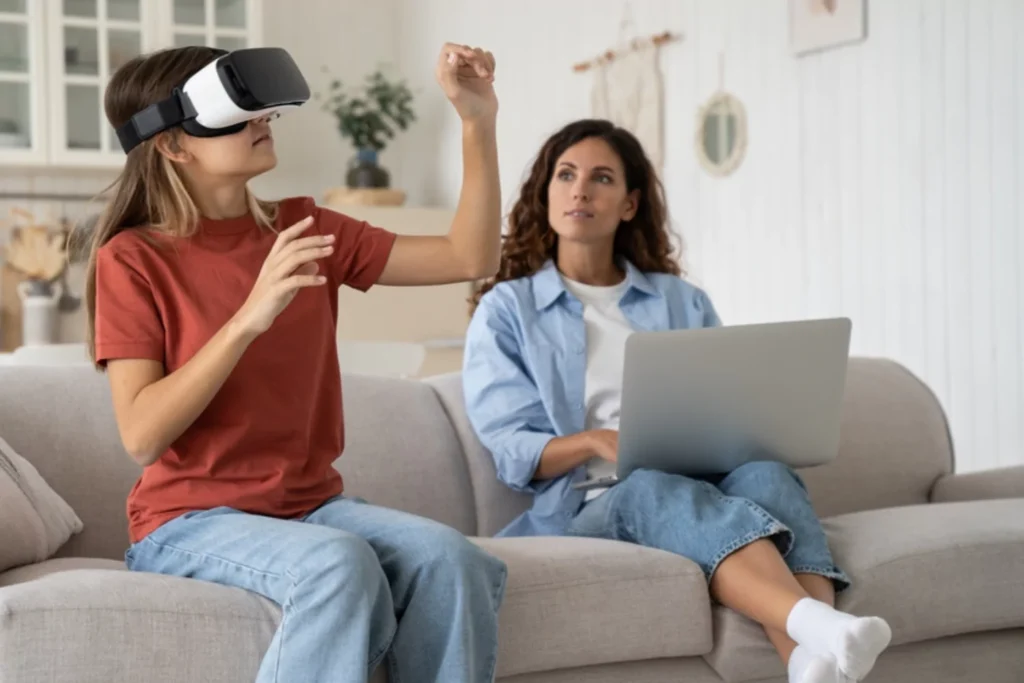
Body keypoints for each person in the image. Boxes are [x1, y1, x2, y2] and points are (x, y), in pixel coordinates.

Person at [85, 44, 507, 683]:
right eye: (240, 112)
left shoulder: (303, 227)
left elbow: (469, 257)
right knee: (339, 564)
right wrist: (248, 319)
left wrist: (476, 120)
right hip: (188, 520)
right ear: (175, 145)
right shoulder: (133, 259)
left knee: (453, 560)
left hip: (307, 508)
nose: (264, 119)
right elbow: (142, 436)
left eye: (263, 110)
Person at [461, 119, 892, 683]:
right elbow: (511, 448)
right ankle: (824, 627)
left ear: (630, 204)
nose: (580, 190)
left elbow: (725, 405)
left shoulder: (681, 302)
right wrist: (597, 441)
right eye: (565, 175)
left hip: (702, 477)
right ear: (545, 195)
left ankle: (809, 663)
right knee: (649, 485)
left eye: (601, 178)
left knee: (766, 472)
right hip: (590, 500)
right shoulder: (507, 310)